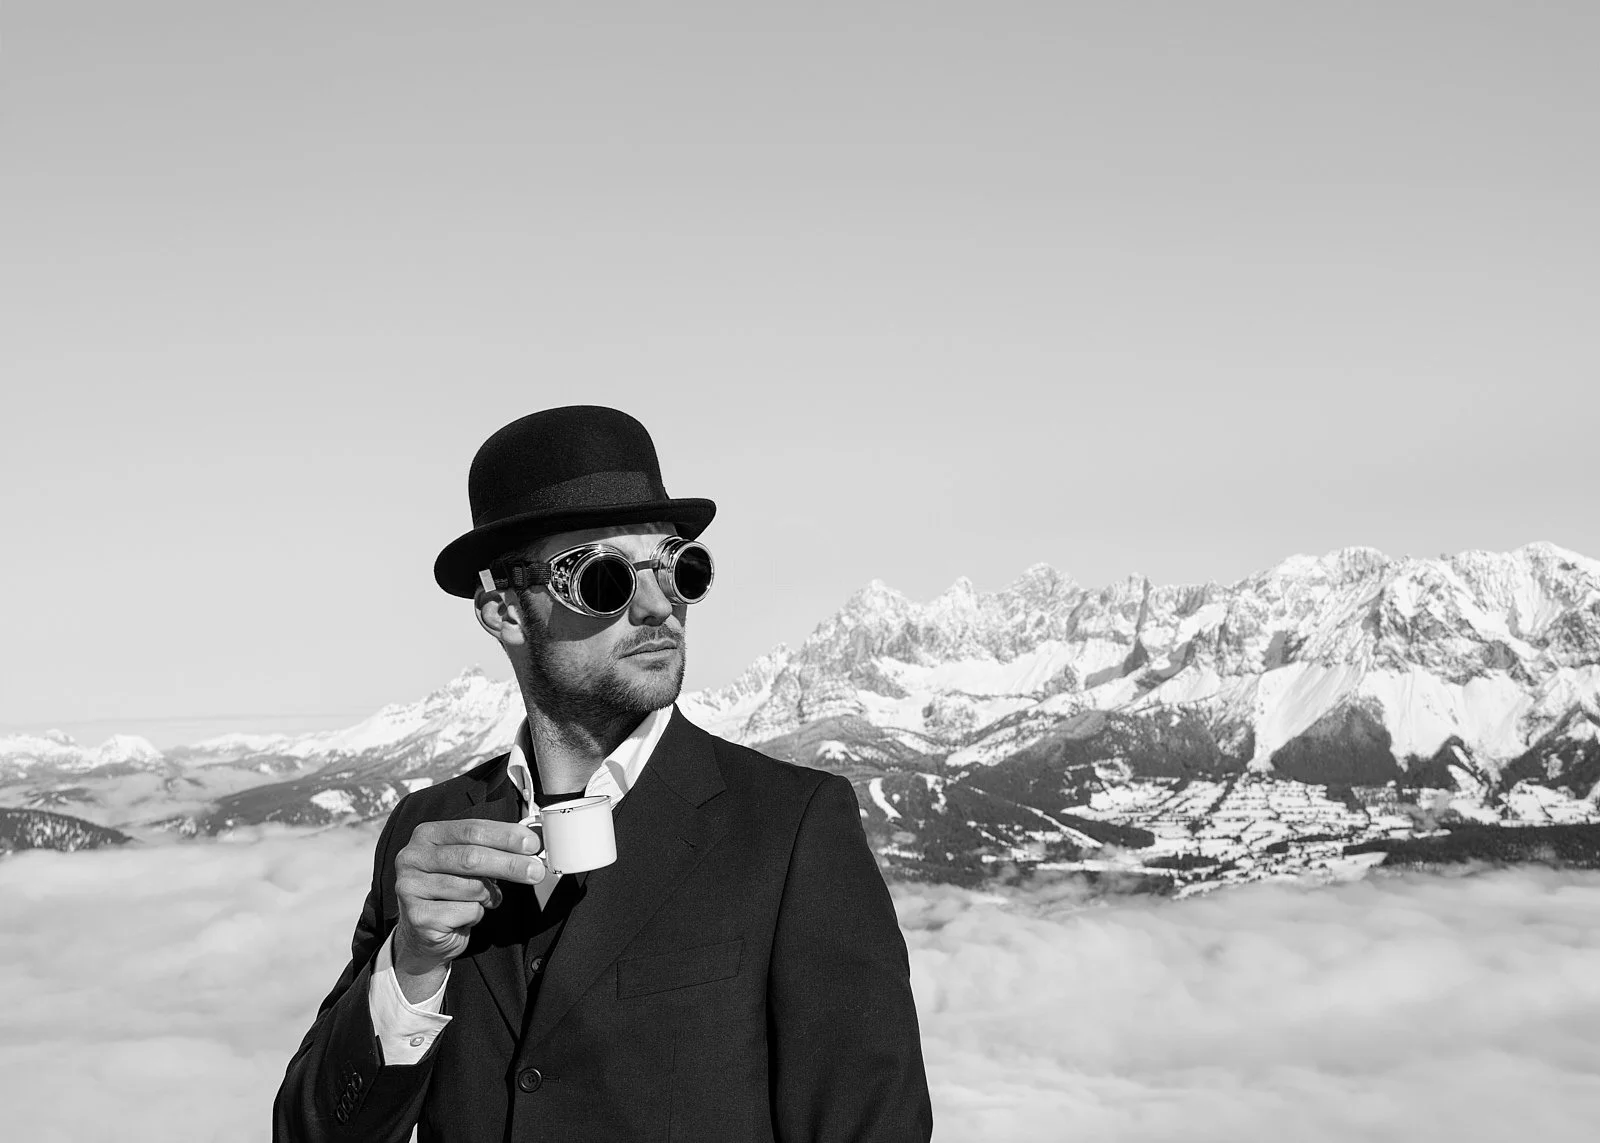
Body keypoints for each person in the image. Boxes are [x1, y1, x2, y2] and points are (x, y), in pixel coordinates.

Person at [273, 406, 933, 1142]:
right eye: (604, 577)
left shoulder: (790, 828)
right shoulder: (427, 832)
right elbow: (310, 1133)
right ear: (505, 612)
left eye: (678, 567)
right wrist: (411, 967)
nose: (660, 605)